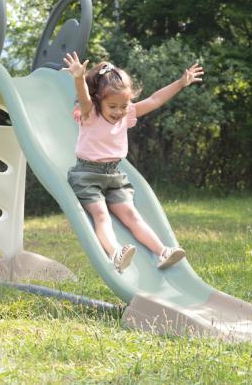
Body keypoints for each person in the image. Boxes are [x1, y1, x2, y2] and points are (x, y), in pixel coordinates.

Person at [63, 51, 204, 273]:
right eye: (113, 106)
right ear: (99, 100)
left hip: (114, 176)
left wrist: (180, 83)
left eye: (123, 105)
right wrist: (79, 78)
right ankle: (115, 253)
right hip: (87, 176)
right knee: (101, 215)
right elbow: (84, 97)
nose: (119, 111)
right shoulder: (90, 113)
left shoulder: (127, 112)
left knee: (131, 215)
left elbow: (155, 100)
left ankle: (162, 251)